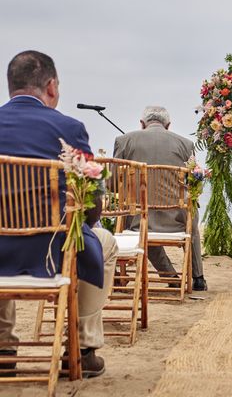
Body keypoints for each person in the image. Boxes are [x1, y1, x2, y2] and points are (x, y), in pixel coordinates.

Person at [0, 50, 117, 377]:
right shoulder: (69, 128)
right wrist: (87, 222)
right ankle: (80, 347)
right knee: (104, 241)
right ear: (51, 86)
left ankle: (4, 347)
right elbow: (91, 205)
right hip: (51, 253)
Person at [113, 106, 207, 291]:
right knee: (192, 216)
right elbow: (191, 184)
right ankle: (198, 277)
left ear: (142, 124)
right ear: (168, 125)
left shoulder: (123, 141)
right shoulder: (186, 144)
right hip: (177, 220)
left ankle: (168, 275)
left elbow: (113, 184)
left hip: (139, 221)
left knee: (142, 220)